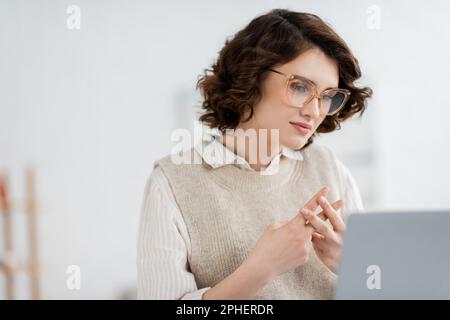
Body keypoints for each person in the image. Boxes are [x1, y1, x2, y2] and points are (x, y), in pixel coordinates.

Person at [137, 9, 372, 300]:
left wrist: (353, 268)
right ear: (252, 76)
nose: (315, 111)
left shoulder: (331, 170)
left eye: (327, 96)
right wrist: (261, 269)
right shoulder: (172, 183)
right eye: (299, 86)